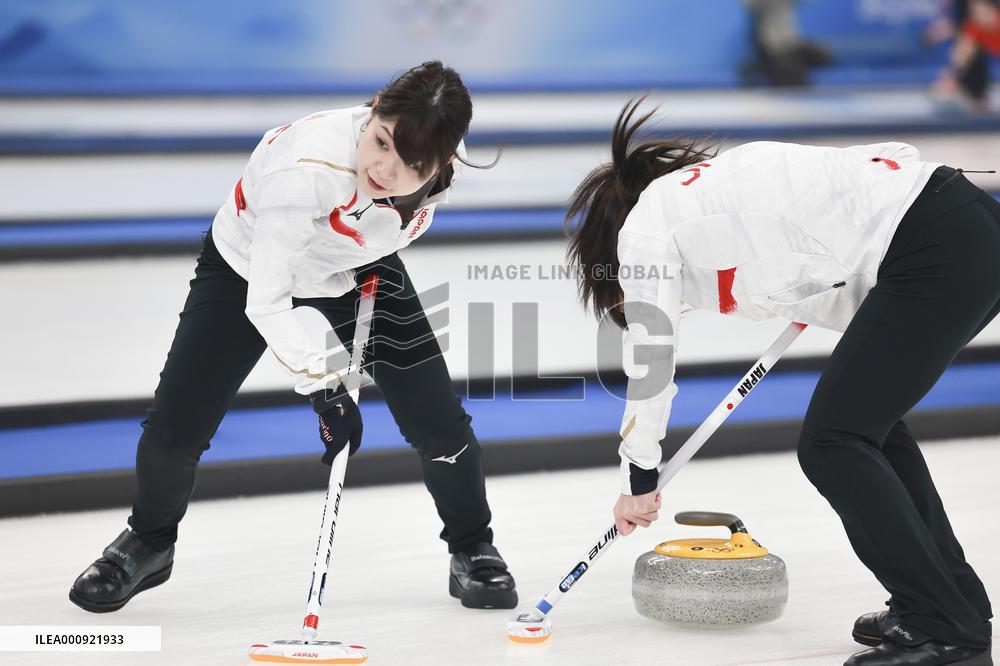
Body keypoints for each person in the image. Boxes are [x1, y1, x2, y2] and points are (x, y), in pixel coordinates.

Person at [69, 61, 517, 614]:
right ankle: (150, 541)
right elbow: (268, 301)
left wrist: (365, 251)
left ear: (444, 161)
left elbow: (390, 208)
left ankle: (473, 547)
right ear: (374, 108)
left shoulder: (432, 162)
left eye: (411, 163)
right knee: (175, 429)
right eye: (380, 141)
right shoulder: (306, 168)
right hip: (249, 268)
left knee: (439, 424)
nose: (385, 167)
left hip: (360, 271)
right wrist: (325, 389)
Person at [566, 98, 998, 665]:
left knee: (832, 442)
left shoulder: (646, 230)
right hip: (965, 223)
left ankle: (946, 630)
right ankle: (953, 603)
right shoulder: (711, 194)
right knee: (870, 430)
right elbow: (894, 160)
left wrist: (640, 476)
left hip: (935, 249)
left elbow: (650, 356)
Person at [933, 0, 1000, 114]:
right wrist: (950, 78)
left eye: (979, 11)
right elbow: (962, 52)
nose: (976, 15)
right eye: (973, 11)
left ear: (992, 10)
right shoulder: (975, 27)